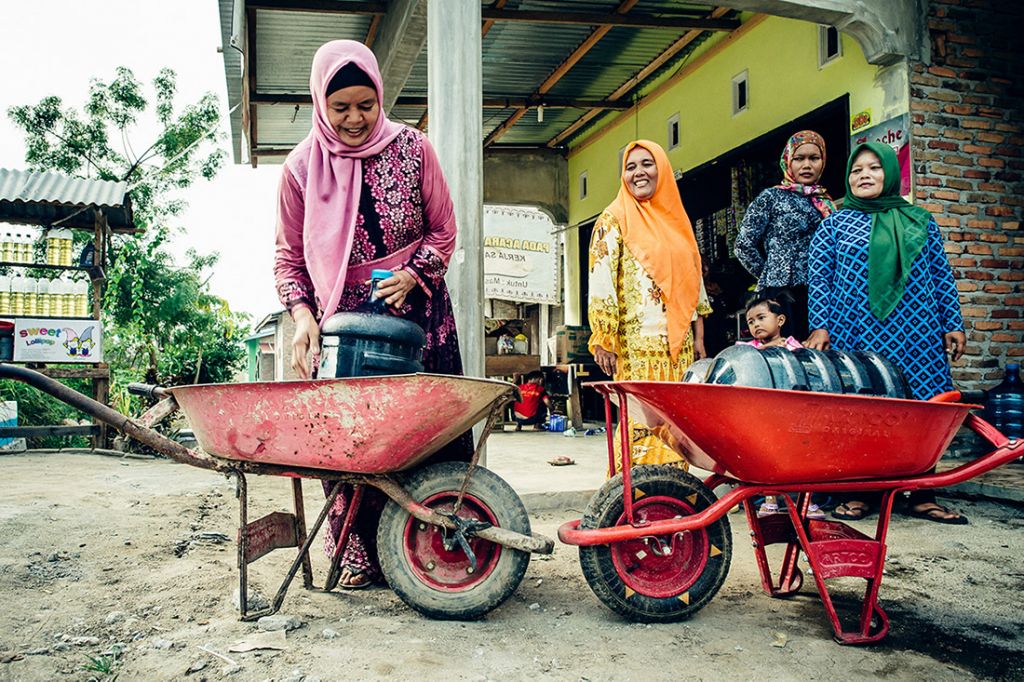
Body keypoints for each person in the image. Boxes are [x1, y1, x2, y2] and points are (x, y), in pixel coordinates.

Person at [274, 40, 471, 588]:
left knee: (429, 429)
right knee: (349, 440)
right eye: (341, 108)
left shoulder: (414, 148)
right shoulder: (298, 170)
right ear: (320, 104)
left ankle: (437, 544)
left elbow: (444, 230)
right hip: (343, 329)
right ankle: (359, 554)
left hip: (420, 316)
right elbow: (288, 259)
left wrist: (416, 274)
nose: (356, 118)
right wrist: (302, 316)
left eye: (366, 104)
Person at [806, 141, 968, 524]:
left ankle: (920, 493)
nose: (864, 175)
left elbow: (940, 274)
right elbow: (821, 280)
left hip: (918, 332)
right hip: (856, 331)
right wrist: (821, 324)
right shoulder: (833, 225)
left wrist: (952, 322)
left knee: (922, 409)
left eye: (874, 168)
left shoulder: (920, 221)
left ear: (891, 175)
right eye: (857, 170)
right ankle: (862, 491)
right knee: (863, 409)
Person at [588, 140, 711, 469]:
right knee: (641, 423)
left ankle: (673, 505)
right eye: (630, 167)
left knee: (677, 427)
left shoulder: (677, 222)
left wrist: (699, 338)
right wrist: (603, 336)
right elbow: (601, 277)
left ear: (663, 169)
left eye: (647, 164)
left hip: (680, 347)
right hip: (636, 346)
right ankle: (631, 501)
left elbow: (693, 280)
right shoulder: (613, 219)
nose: (638, 173)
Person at [734, 130, 837, 340]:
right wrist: (770, 272)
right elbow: (743, 245)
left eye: (814, 158)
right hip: (780, 295)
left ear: (823, 161)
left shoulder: (825, 202)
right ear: (788, 161)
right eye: (799, 158)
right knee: (787, 358)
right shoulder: (771, 197)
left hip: (818, 294)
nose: (807, 165)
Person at [738, 292, 825, 519]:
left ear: (780, 320)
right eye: (751, 321)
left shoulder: (794, 347)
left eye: (761, 317)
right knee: (766, 456)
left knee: (801, 456)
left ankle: (807, 502)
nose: (756, 324)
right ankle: (770, 499)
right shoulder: (750, 350)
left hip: (793, 414)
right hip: (764, 416)